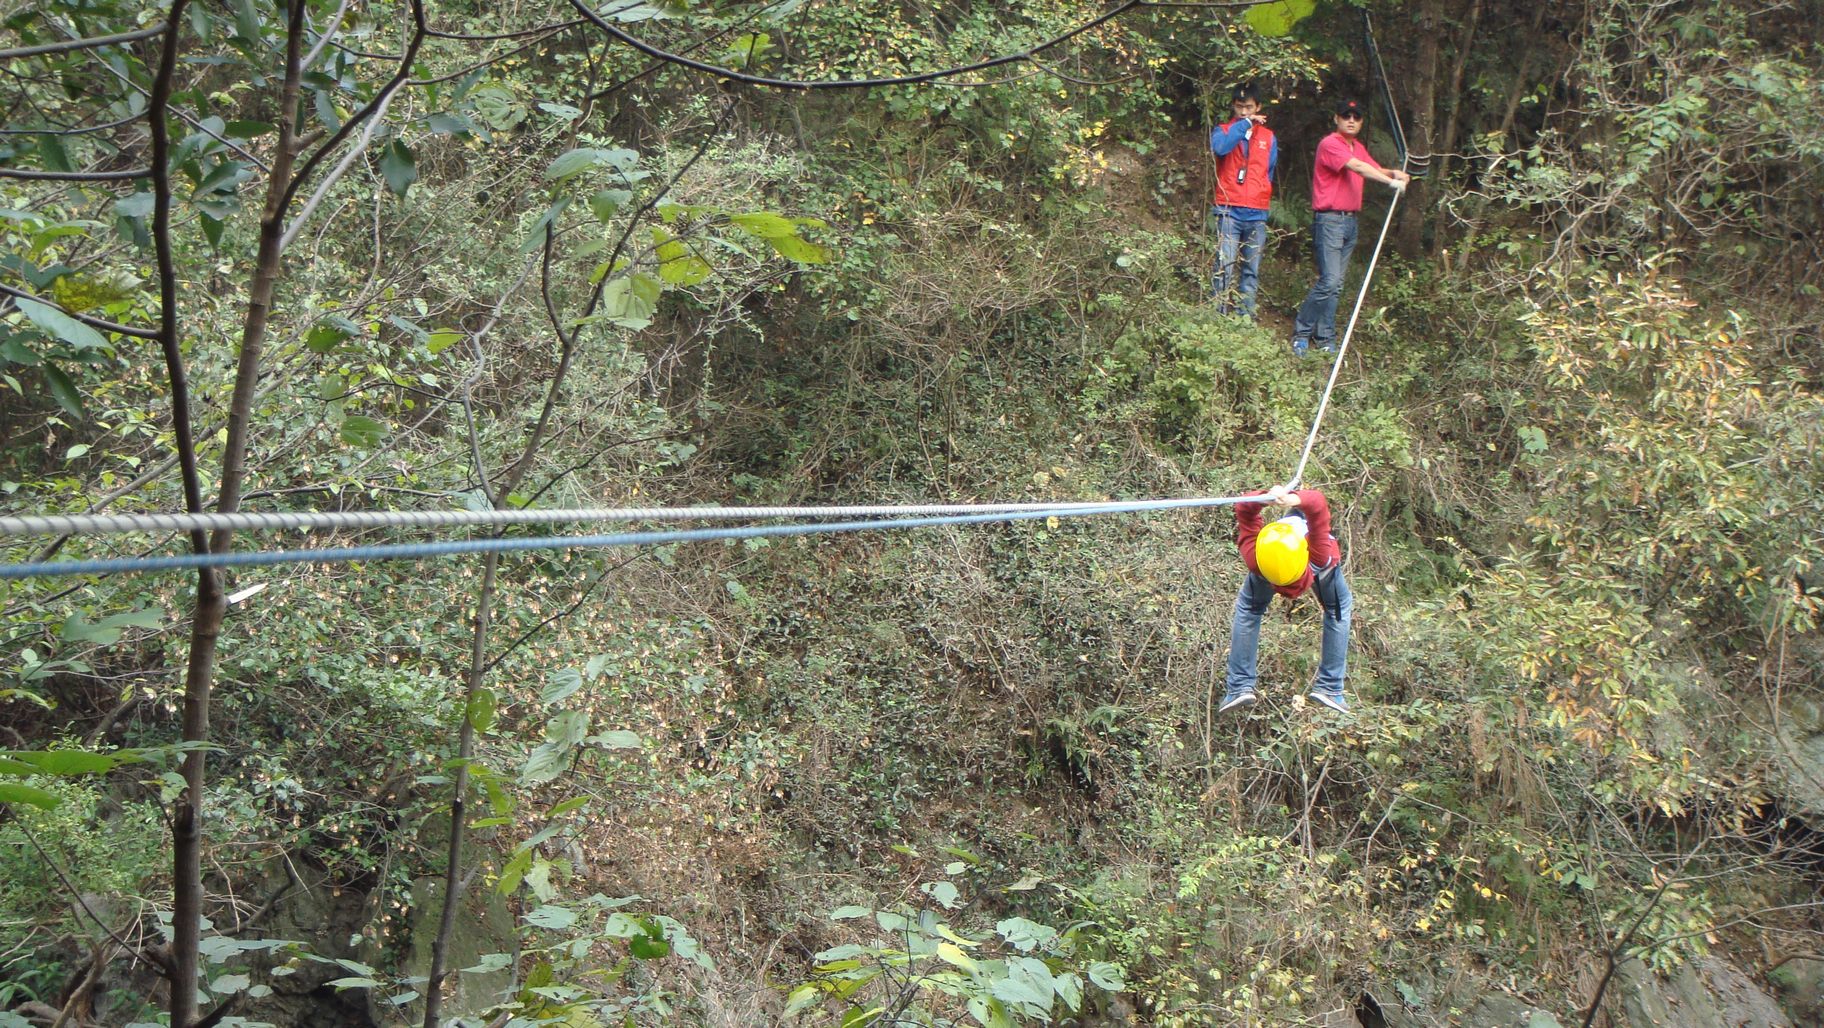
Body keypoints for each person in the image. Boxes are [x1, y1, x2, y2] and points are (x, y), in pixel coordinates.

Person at [1290, 98, 1410, 357]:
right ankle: (1301, 333)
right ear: (1337, 119)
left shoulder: (1356, 147)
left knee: (1337, 284)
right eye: (1346, 116)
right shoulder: (1331, 143)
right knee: (1329, 281)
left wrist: (1393, 173)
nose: (1351, 120)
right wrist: (1391, 182)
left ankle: (1325, 337)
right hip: (1330, 221)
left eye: (1356, 117)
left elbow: (1372, 168)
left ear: (1361, 121)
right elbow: (1357, 167)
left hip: (1349, 222)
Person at [1219, 486, 1353, 714]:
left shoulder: (1255, 556)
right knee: (1338, 608)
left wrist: (1266, 498)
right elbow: (1317, 503)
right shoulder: (1317, 552)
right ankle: (1330, 688)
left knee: (1249, 610)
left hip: (1265, 572)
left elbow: (1243, 507)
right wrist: (1293, 499)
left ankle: (1239, 687)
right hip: (1317, 570)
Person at [1209, 84, 1278, 318]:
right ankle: (1217, 316)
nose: (1244, 111)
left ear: (1258, 107)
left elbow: (1269, 171)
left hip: (1257, 211)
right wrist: (1245, 124)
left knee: (1251, 269)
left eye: (1249, 107)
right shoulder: (1223, 130)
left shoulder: (1268, 137)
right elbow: (1221, 148)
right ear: (1233, 106)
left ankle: (1244, 317)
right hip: (1229, 209)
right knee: (1224, 266)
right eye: (1240, 107)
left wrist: (1262, 191)